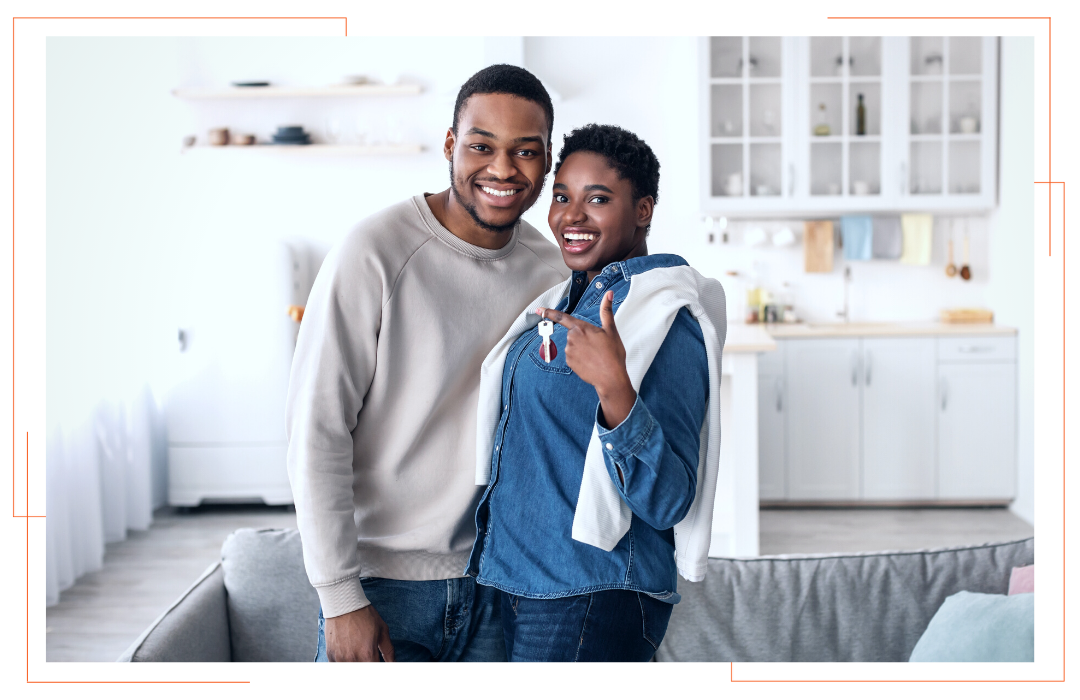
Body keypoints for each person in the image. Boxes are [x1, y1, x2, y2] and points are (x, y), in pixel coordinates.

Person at [286, 64, 568, 663]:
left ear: (547, 161)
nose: (501, 168)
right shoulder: (374, 253)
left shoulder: (553, 274)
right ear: (450, 145)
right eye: (481, 146)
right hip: (381, 586)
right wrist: (340, 598)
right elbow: (316, 430)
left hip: (501, 585)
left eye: (525, 151)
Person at [466, 124, 727, 662]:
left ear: (643, 210)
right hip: (511, 583)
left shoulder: (665, 318)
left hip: (590, 596)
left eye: (598, 199)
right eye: (562, 196)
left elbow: (670, 498)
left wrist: (616, 390)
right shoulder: (563, 301)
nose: (571, 216)